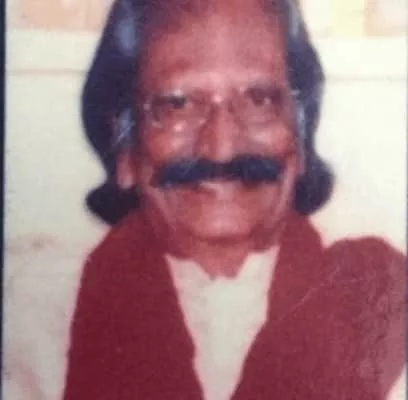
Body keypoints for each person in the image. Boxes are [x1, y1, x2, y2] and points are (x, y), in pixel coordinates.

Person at [63, 0, 405, 399]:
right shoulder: (33, 330)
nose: (221, 147)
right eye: (178, 103)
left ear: (299, 137)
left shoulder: (381, 307)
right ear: (125, 147)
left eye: (259, 99)